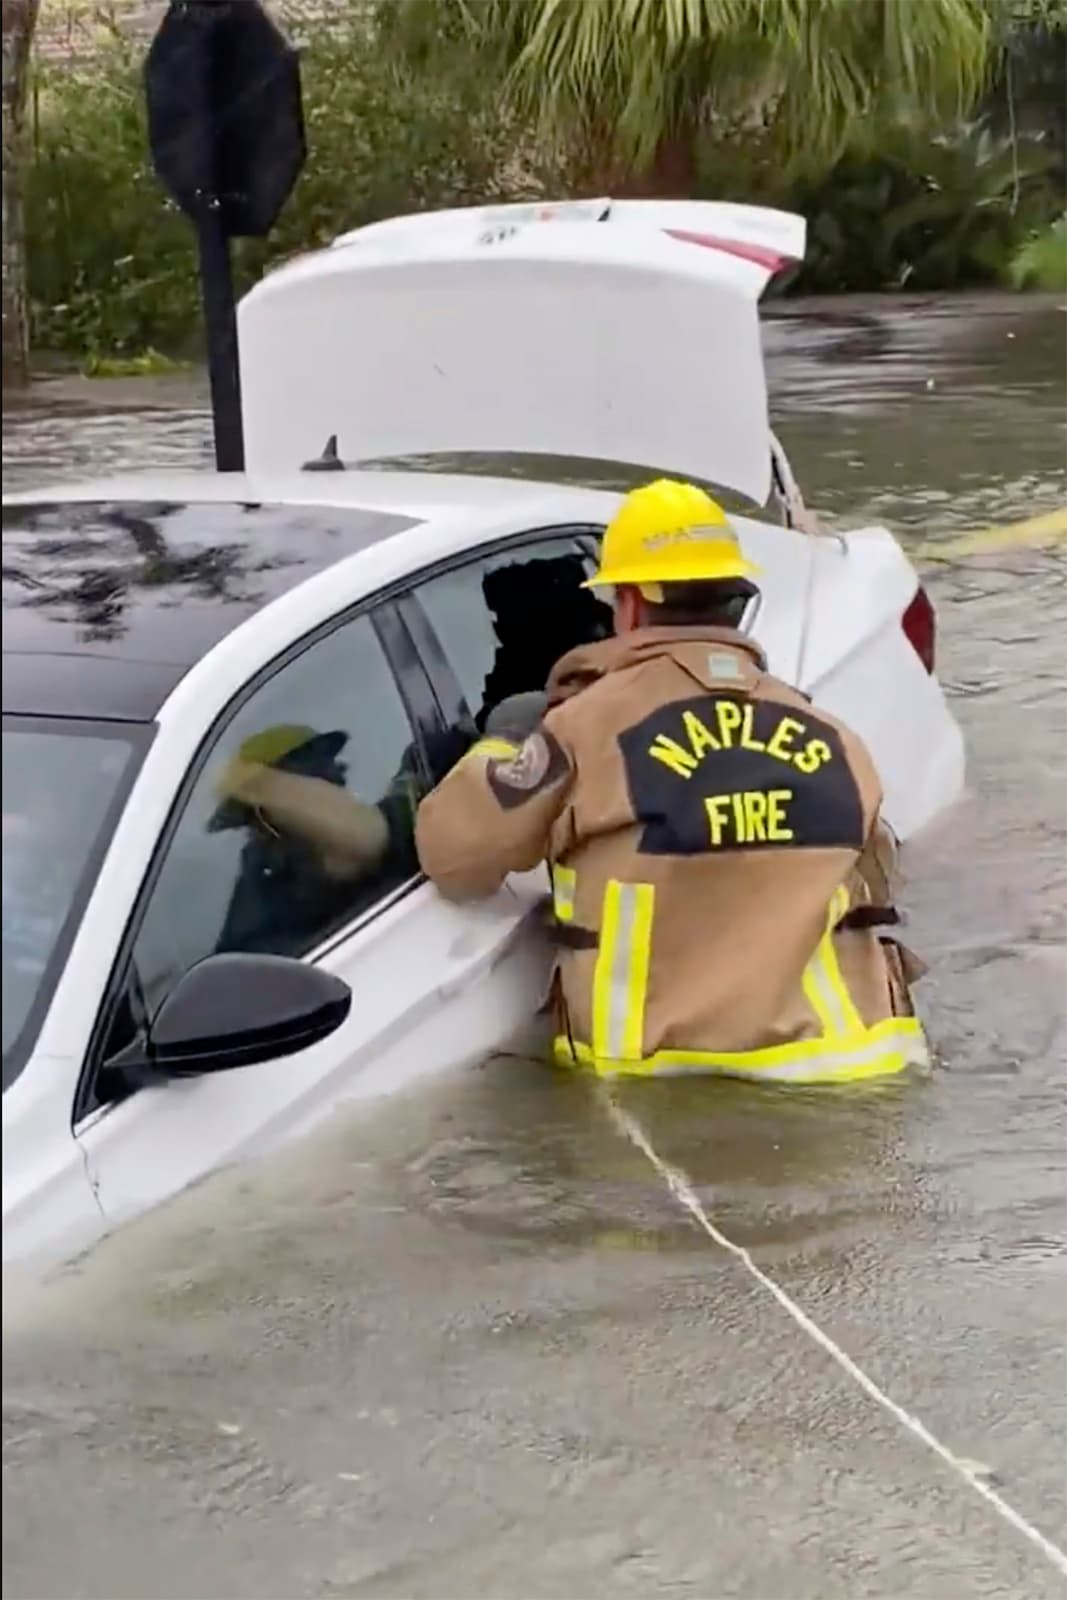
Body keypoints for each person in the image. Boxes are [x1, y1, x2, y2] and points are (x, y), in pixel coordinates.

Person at [415, 477, 929, 1084]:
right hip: (858, 1070)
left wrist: (504, 743)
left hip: (663, 1090)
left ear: (630, 602)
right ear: (732, 598)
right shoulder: (832, 734)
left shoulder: (584, 729)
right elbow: (877, 876)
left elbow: (455, 855)